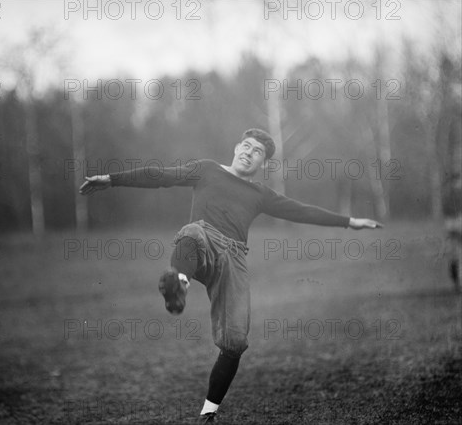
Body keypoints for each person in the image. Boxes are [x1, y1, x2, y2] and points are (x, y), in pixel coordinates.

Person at [79, 128, 382, 423]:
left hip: (234, 259)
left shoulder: (260, 193)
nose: (250, 154)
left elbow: (300, 211)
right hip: (203, 240)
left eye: (258, 153)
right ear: (237, 148)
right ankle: (179, 283)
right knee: (192, 232)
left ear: (263, 164)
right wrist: (111, 179)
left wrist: (349, 222)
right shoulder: (207, 170)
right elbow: (161, 176)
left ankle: (208, 413)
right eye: (247, 147)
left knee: (235, 343)